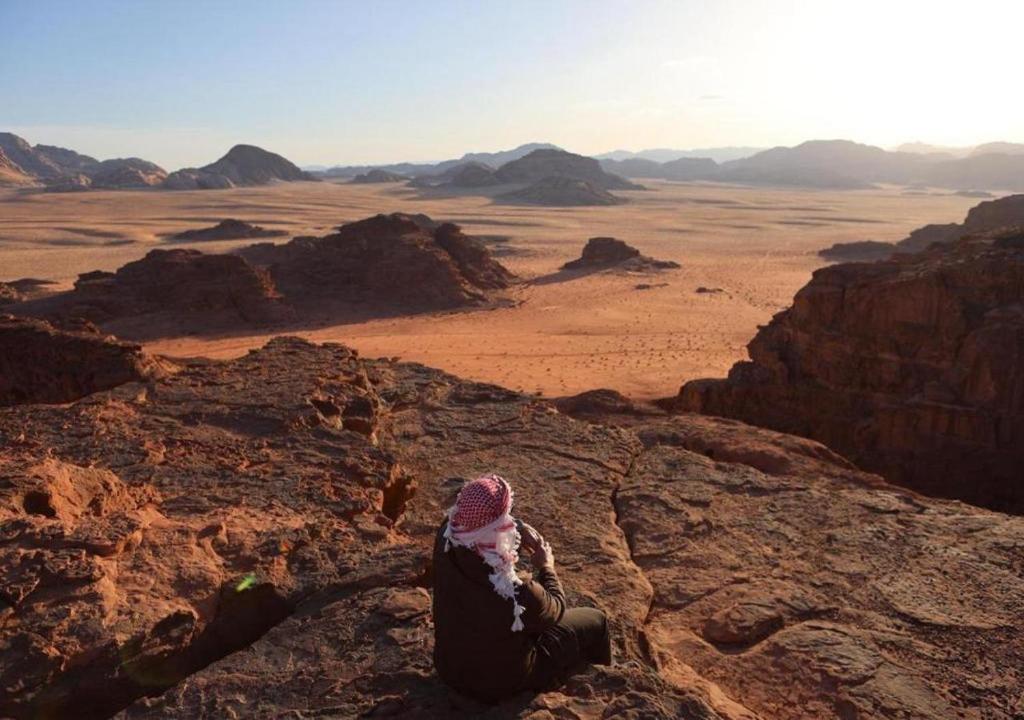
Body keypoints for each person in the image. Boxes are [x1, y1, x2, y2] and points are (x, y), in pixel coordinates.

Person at [432, 473, 612, 702]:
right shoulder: (514, 588)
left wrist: (518, 525)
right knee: (597, 620)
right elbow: (555, 608)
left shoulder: (445, 538)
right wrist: (546, 567)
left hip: (449, 670)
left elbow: (478, 524)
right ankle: (605, 687)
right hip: (502, 684)